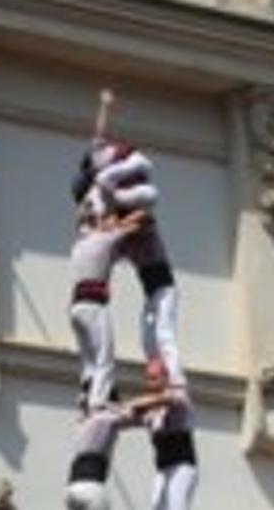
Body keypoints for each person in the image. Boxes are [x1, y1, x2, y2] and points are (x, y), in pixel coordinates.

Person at [81, 135, 187, 395]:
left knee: (164, 334)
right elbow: (107, 245)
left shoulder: (143, 223)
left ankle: (177, 382)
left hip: (164, 289)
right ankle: (159, 379)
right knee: (149, 341)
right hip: (152, 291)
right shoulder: (126, 235)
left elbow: (138, 220)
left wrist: (108, 213)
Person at [67, 191, 148, 412]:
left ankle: (87, 393)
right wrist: (120, 220)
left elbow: (110, 255)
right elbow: (138, 222)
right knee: (105, 355)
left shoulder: (78, 246)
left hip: (76, 308)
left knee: (89, 359)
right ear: (95, 222)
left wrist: (110, 224)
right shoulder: (102, 239)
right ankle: (99, 400)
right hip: (94, 305)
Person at [140, 357, 198, 510]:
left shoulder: (178, 399)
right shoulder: (151, 412)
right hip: (163, 468)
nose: (149, 383)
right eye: (147, 379)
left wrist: (133, 405)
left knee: (176, 505)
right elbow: (129, 416)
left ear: (165, 378)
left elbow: (171, 399)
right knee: (156, 505)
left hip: (181, 466)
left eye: (154, 378)